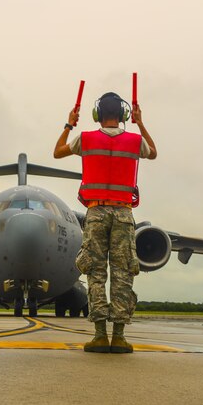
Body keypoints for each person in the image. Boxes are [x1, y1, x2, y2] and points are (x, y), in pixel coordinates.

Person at [53, 92, 157, 353]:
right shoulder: (135, 142)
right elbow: (153, 153)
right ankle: (119, 337)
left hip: (96, 213)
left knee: (95, 272)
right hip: (123, 214)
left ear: (97, 115)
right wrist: (140, 123)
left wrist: (69, 124)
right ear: (123, 116)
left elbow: (57, 152)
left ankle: (100, 335)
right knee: (123, 273)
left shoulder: (86, 139)